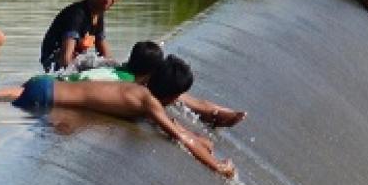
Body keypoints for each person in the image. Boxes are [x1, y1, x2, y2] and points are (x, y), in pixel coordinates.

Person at [0, 14, 234, 178]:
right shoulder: (147, 100)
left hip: (46, 84)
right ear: (171, 94)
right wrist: (216, 165)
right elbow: (179, 136)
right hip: (45, 98)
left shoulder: (138, 92)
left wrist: (200, 139)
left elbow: (170, 125)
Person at [65, 40, 248, 129]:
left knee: (176, 96)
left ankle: (214, 112)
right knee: (174, 96)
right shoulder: (129, 86)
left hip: (68, 85)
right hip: (74, 94)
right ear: (149, 74)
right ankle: (214, 112)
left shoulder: (121, 70)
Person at [41, 0, 124, 72]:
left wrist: (117, 70)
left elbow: (106, 55)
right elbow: (65, 60)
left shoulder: (98, 14)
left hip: (72, 59)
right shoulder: (77, 15)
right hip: (55, 61)